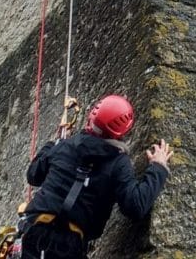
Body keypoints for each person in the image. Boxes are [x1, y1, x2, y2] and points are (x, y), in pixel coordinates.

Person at [19, 95, 173, 259]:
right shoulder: (117, 162)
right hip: (68, 246)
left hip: (33, 232)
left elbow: (34, 175)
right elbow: (135, 206)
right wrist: (158, 167)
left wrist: (53, 143)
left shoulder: (66, 145)